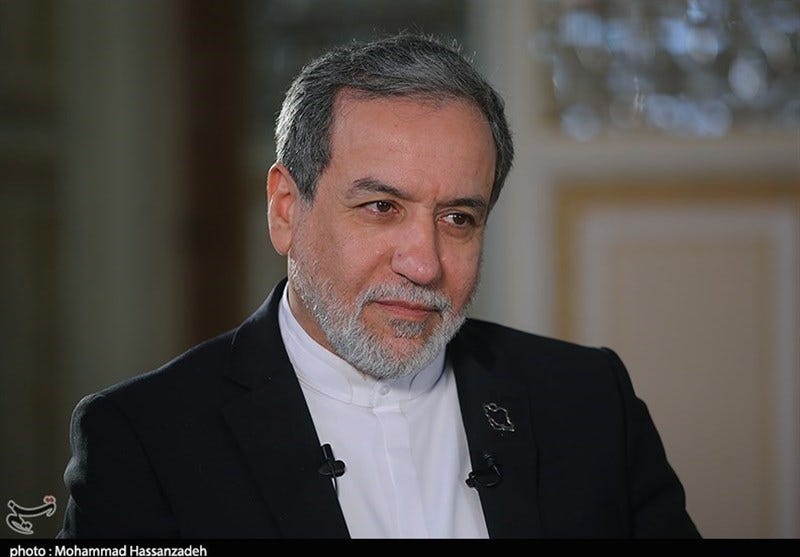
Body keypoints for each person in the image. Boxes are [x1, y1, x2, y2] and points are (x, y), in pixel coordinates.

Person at [58, 33, 700, 539]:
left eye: (458, 218)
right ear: (285, 209)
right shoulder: (144, 438)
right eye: (381, 207)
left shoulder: (589, 401)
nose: (424, 264)